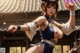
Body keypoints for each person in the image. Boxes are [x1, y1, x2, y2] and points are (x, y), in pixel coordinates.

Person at [8, 0, 75, 53]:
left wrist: (72, 11)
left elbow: (70, 27)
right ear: (44, 7)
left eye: (54, 7)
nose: (52, 9)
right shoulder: (43, 19)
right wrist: (17, 27)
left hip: (49, 50)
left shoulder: (53, 23)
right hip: (43, 47)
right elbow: (31, 25)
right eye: (49, 7)